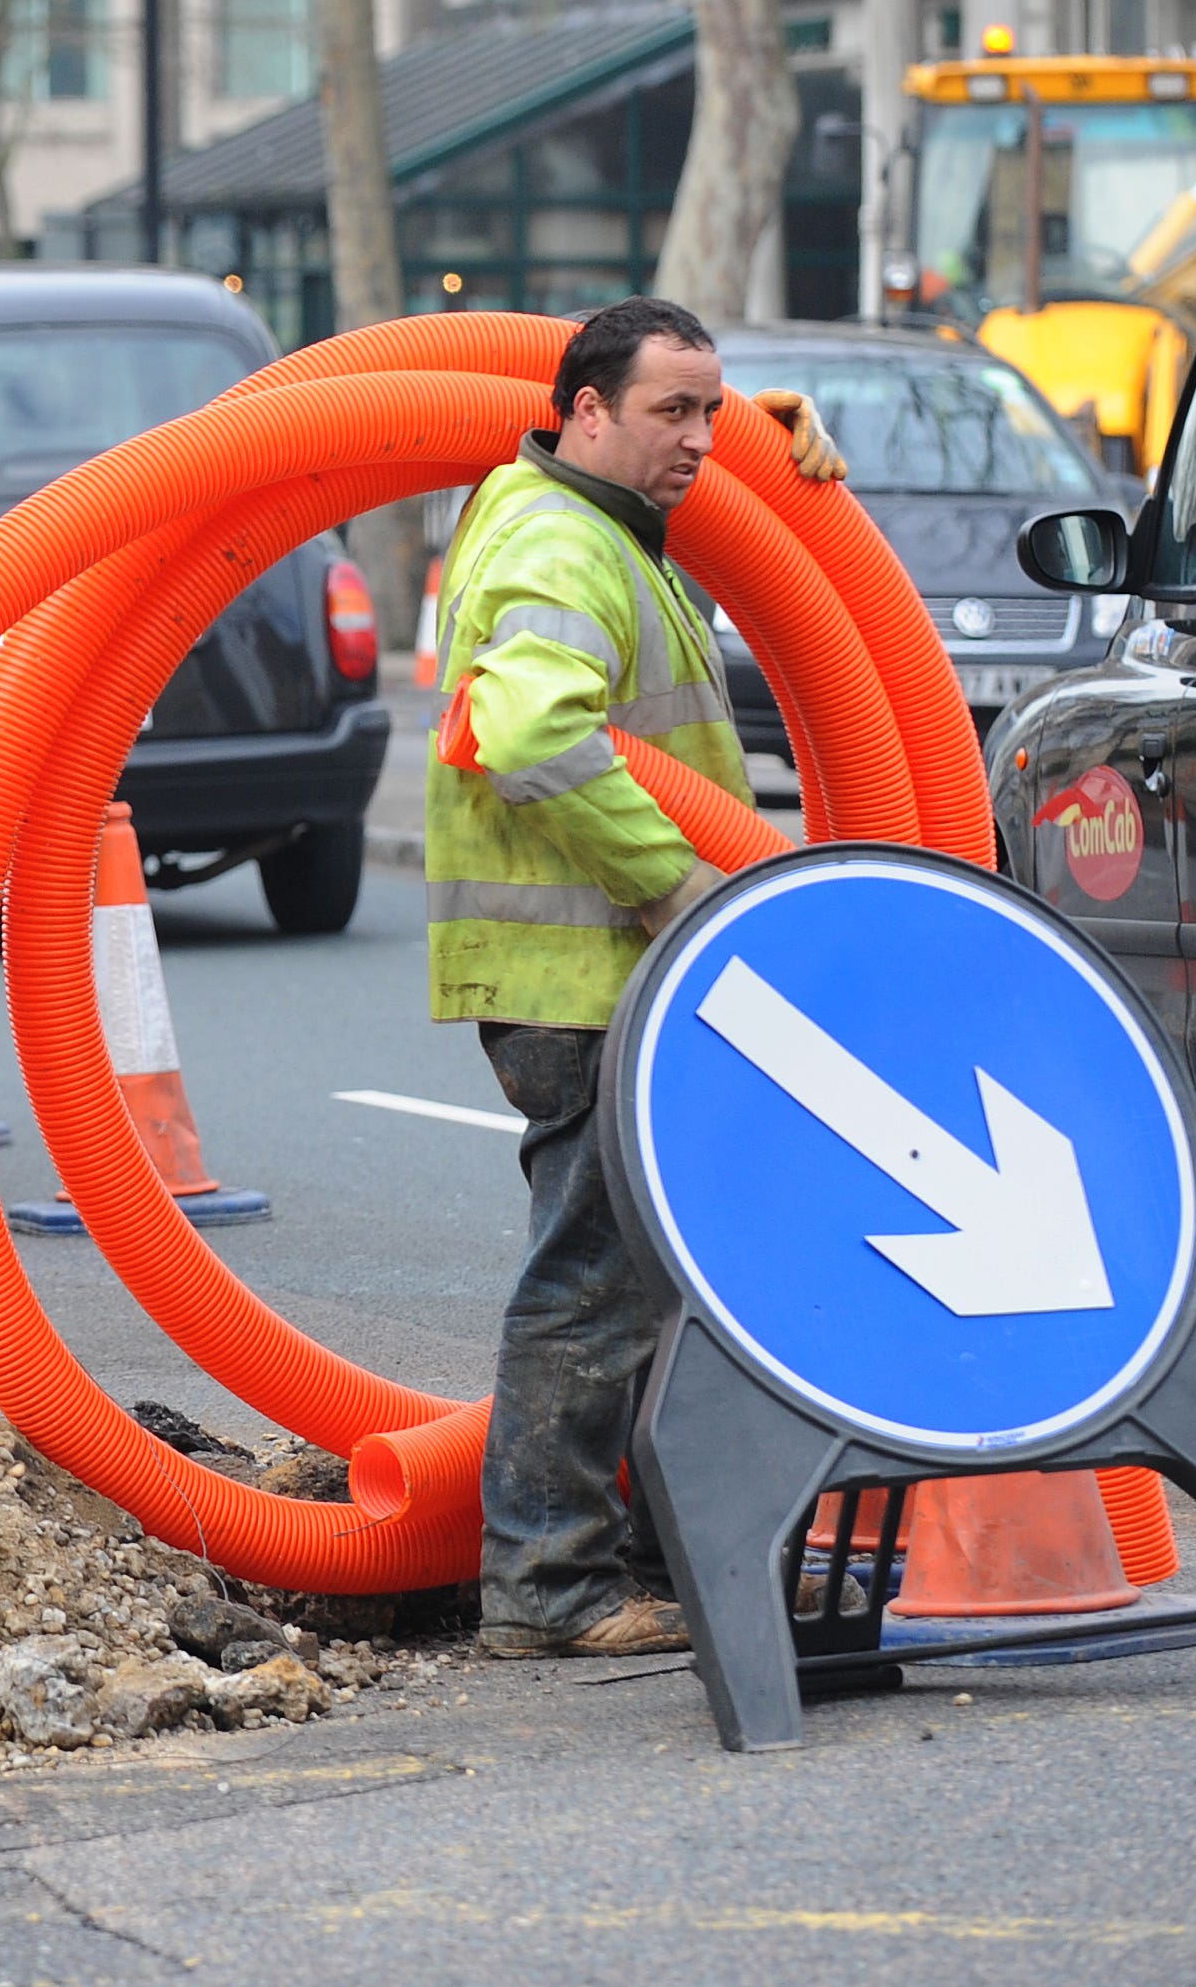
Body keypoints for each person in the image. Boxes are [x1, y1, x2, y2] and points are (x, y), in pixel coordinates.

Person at [427, 297, 844, 1658]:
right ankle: (549, 1593)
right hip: (586, 978)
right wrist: (677, 887)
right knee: (598, 1283)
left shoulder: (599, 523)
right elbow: (529, 728)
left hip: (617, 976)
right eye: (672, 411)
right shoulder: (559, 538)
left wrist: (777, 445)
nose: (699, 437)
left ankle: (678, 1560)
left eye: (712, 410)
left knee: (673, 1280)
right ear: (583, 411)